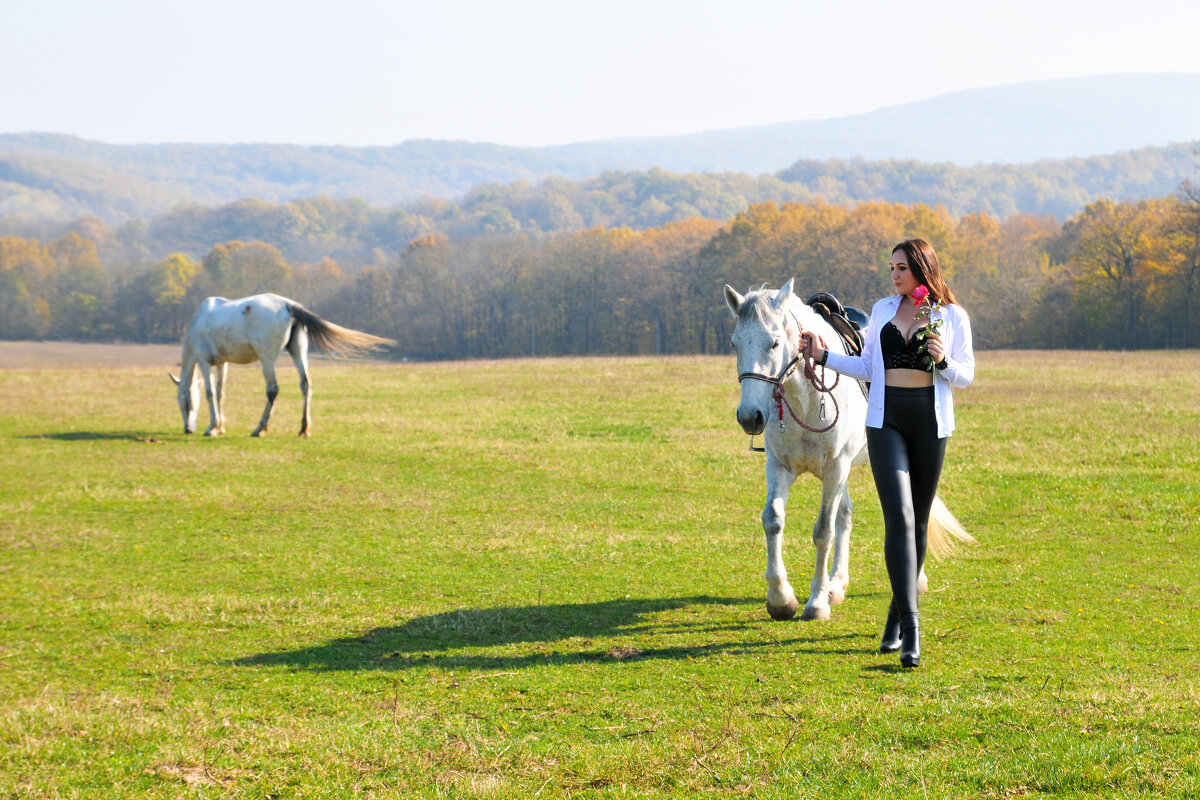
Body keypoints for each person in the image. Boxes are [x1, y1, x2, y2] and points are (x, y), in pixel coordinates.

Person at [802, 238, 974, 668]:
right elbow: (868, 368)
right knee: (897, 518)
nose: (894, 274)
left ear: (921, 269)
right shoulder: (881, 311)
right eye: (892, 267)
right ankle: (913, 631)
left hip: (931, 424)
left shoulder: (951, 315)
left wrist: (944, 362)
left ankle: (894, 620)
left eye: (901, 268)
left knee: (917, 522)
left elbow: (966, 375)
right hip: (885, 423)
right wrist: (824, 357)